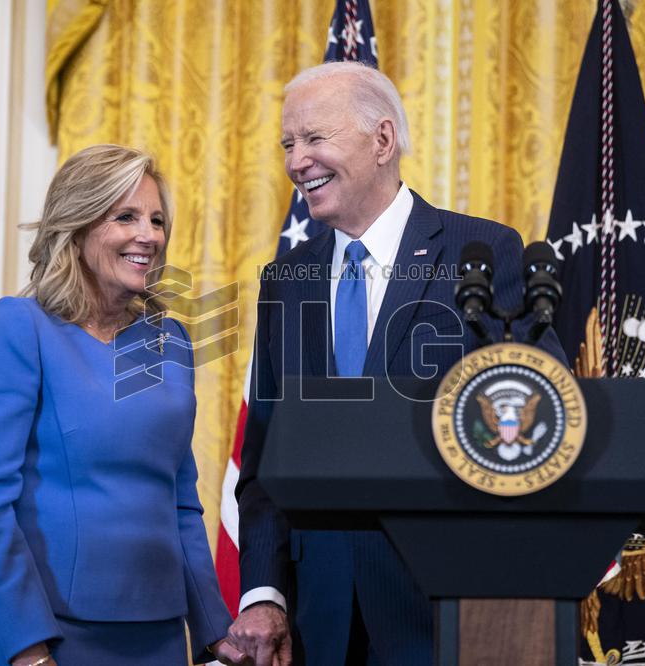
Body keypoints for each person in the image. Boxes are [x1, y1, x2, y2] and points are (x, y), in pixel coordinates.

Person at [227, 62, 567, 665]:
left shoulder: (480, 254)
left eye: (314, 138)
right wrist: (263, 593)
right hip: (316, 624)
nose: (296, 161)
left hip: (446, 614)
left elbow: (537, 423)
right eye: (287, 143)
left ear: (382, 140)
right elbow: (265, 462)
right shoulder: (287, 280)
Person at [0, 145, 243, 665]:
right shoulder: (22, 326)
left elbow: (180, 500)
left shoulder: (171, 341)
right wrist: (26, 645)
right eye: (126, 216)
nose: (149, 235)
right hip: (48, 628)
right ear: (79, 225)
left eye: (156, 220)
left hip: (158, 629)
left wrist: (214, 629)